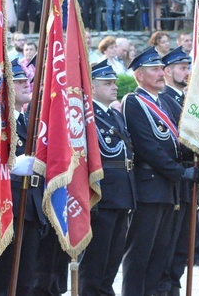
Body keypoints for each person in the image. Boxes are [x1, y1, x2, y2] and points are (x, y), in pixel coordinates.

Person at [121, 47, 199, 296]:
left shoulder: (164, 102)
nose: (160, 74)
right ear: (140, 75)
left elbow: (177, 142)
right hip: (149, 186)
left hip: (168, 189)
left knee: (161, 254)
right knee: (140, 254)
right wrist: (180, 172)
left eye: (160, 69)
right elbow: (148, 147)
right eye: (154, 70)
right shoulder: (134, 102)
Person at [0, 60, 44, 295]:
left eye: (25, 81)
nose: (25, 86)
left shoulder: (26, 121)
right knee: (3, 276)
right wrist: (10, 166)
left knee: (26, 278)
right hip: (10, 206)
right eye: (18, 82)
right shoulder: (0, 121)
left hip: (30, 205)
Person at [79, 60, 135, 296]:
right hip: (102, 195)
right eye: (108, 83)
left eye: (114, 82)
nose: (114, 87)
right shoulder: (85, 115)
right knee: (96, 260)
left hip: (122, 193)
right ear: (91, 86)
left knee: (112, 259)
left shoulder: (113, 114)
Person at [157, 47, 193, 296]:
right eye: (182, 68)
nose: (188, 72)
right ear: (167, 71)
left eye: (188, 67)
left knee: (182, 245)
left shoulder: (186, 99)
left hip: (190, 179)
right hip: (175, 177)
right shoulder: (164, 100)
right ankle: (165, 290)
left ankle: (174, 288)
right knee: (167, 245)